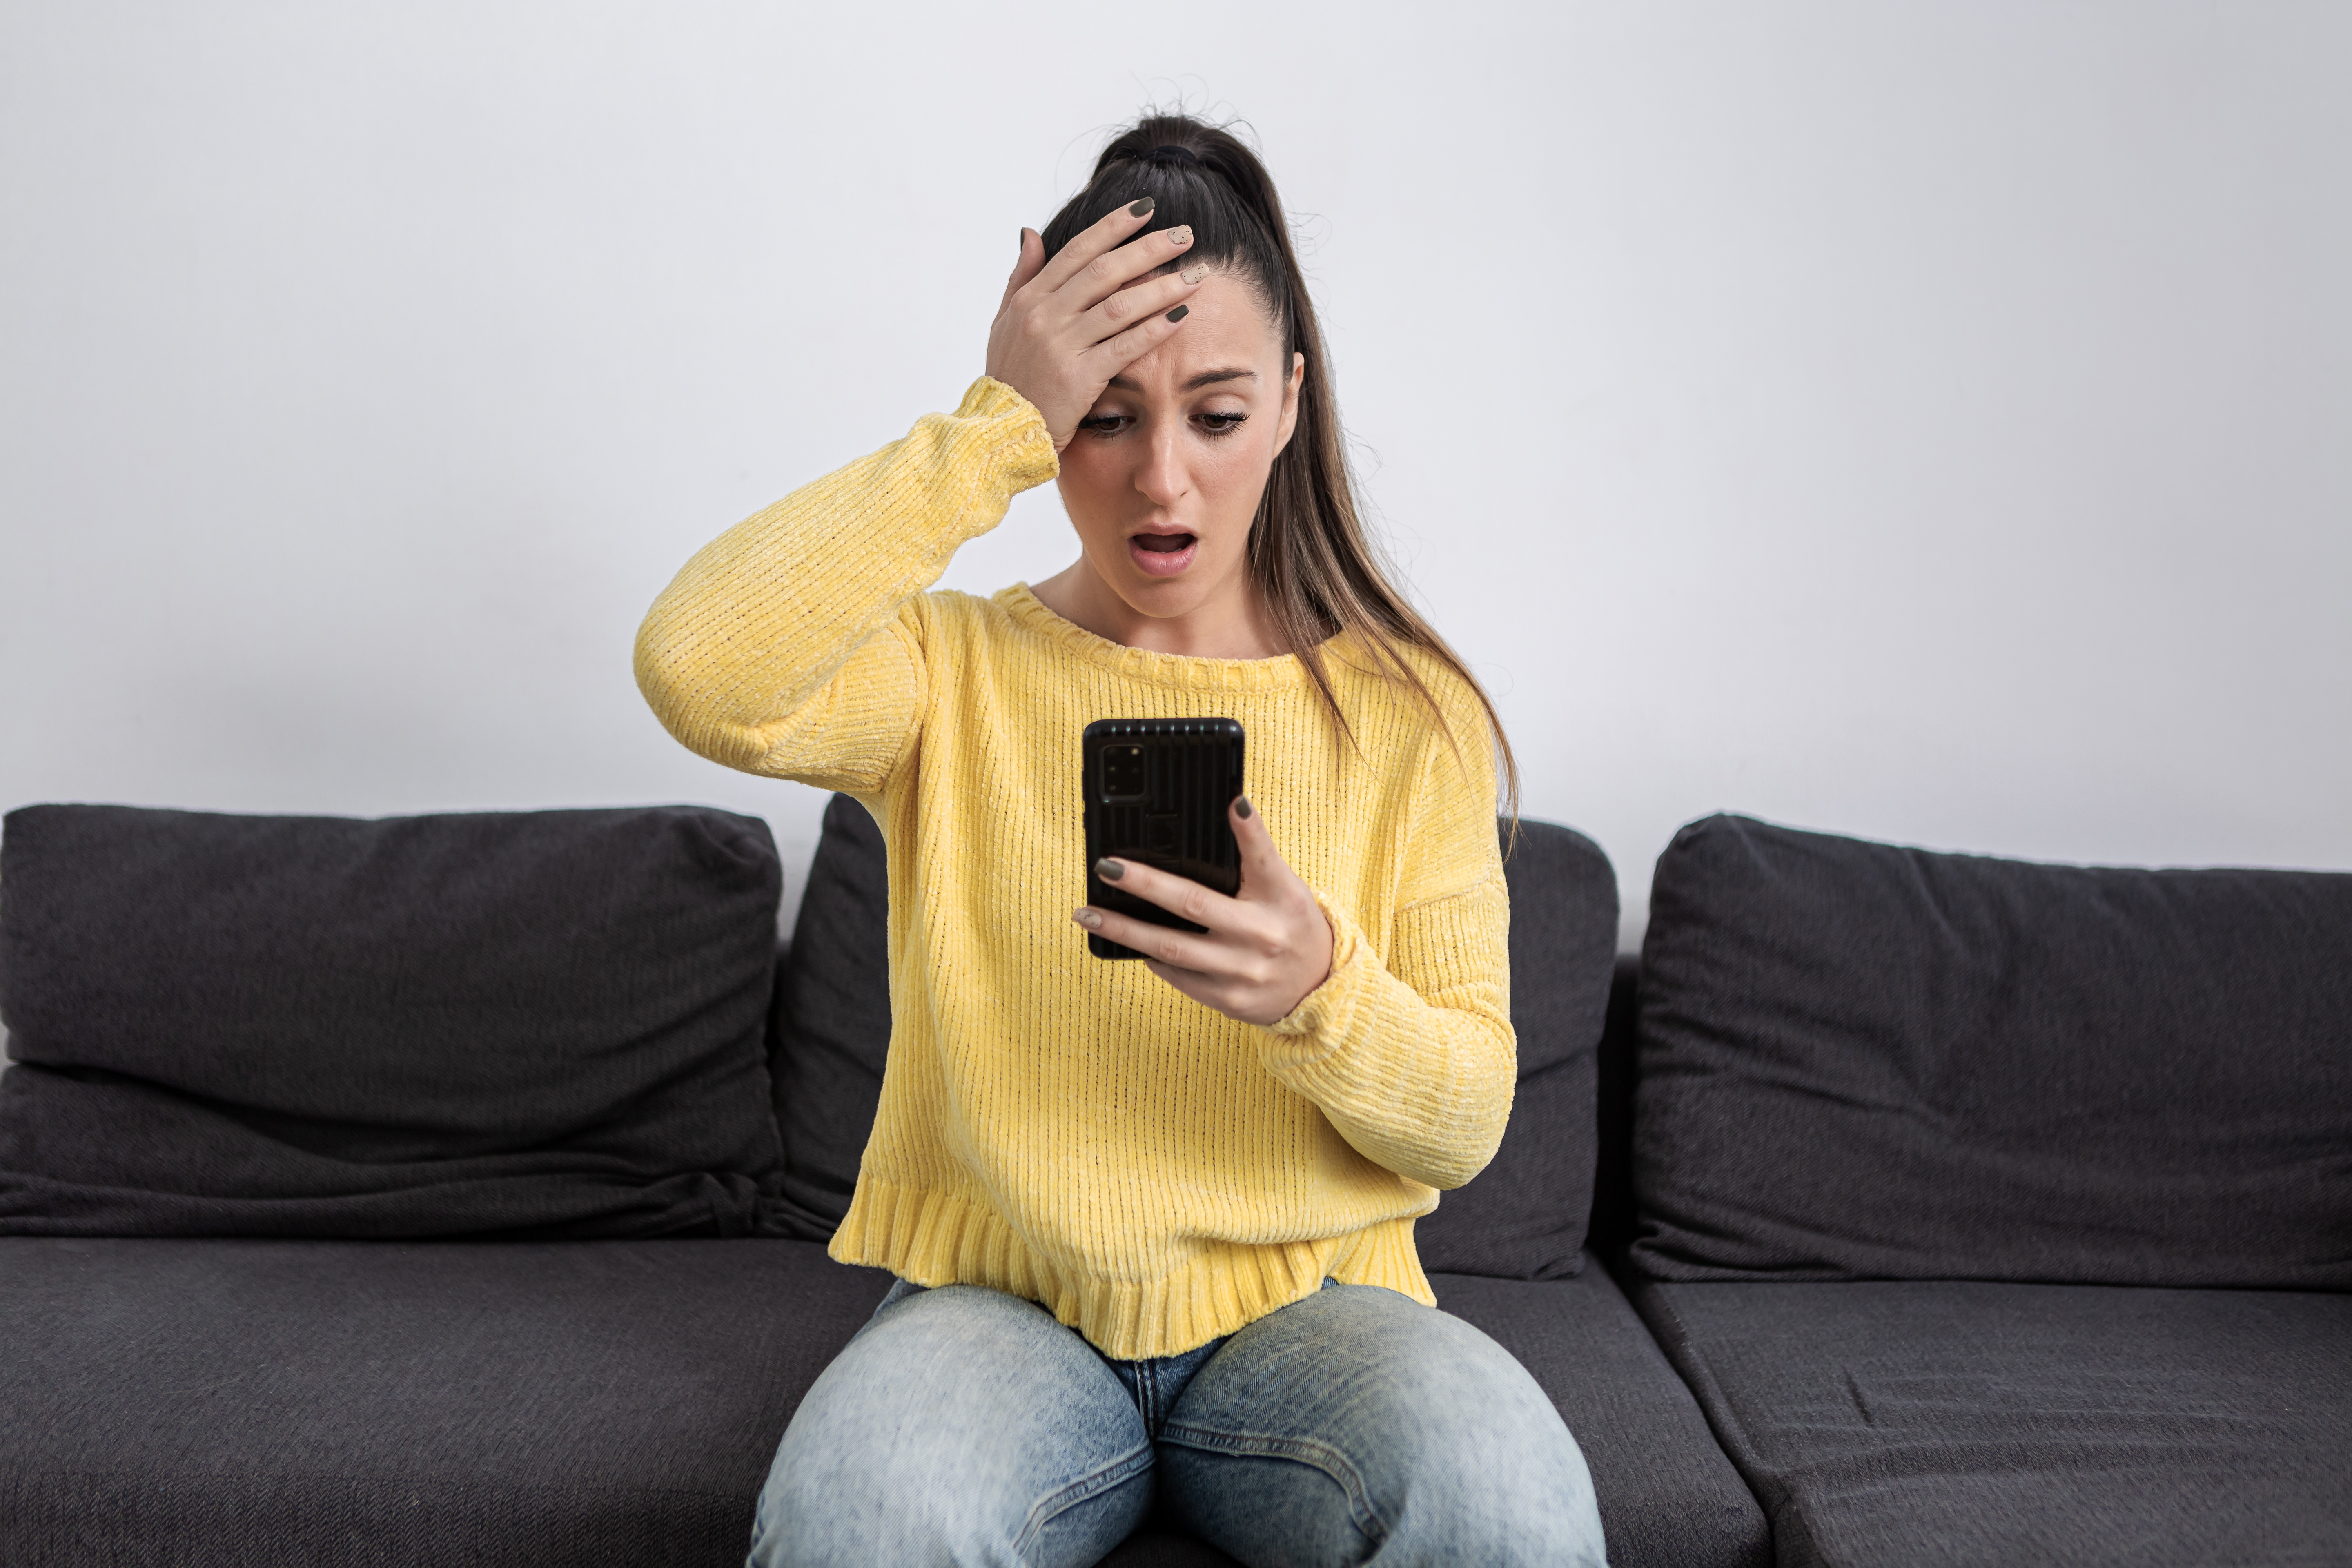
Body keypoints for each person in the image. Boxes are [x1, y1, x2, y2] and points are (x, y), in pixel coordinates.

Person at [635, 111, 1608, 1568]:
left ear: (1289, 402)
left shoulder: (1414, 716)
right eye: (1105, 416)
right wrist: (988, 431)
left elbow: (1465, 1120)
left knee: (1506, 1498)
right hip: (999, 1314)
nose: (1163, 483)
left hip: (1315, 1317)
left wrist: (1321, 990)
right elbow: (696, 664)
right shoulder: (945, 676)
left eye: (1215, 416)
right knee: (867, 1517)